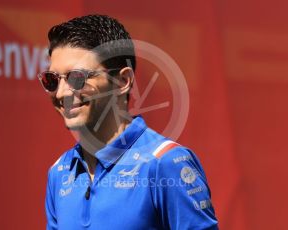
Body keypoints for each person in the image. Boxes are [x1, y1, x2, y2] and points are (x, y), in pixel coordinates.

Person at [39, 14, 218, 230]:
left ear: (123, 81)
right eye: (51, 80)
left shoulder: (165, 162)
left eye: (76, 78)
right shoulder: (59, 172)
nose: (61, 93)